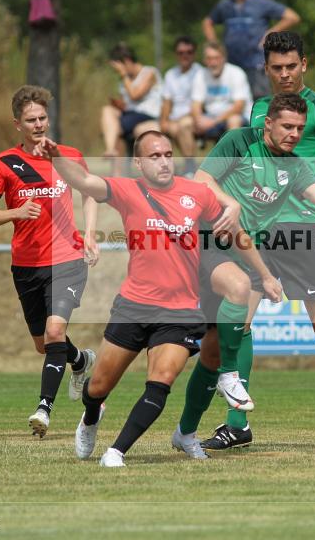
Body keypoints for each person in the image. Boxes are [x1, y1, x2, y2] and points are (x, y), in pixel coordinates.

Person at [39, 130, 271, 467]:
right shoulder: (127, 190)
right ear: (138, 162)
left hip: (180, 311)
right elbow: (84, 181)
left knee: (161, 382)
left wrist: (264, 274)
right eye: (154, 156)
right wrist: (57, 157)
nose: (163, 162)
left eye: (167, 155)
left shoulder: (196, 193)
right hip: (134, 306)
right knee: (98, 386)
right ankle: (91, 415)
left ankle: (116, 452)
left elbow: (235, 232)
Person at [193, 31, 315, 451]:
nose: (285, 74)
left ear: (304, 64)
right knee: (240, 321)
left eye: (291, 66)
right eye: (277, 68)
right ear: (266, 69)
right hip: (258, 232)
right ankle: (238, 424)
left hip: (304, 228)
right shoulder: (260, 110)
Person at [0, 85, 98, 439]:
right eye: (31, 120)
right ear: (18, 124)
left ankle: (44, 408)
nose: (39, 124)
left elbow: (91, 193)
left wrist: (90, 234)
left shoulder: (68, 155)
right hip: (27, 264)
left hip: (67, 259)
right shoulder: (4, 163)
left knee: (54, 332)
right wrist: (16, 212)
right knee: (43, 344)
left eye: (43, 118)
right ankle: (80, 360)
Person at [203, 0, 300, 99]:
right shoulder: (224, 5)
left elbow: (292, 17)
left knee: (260, 103)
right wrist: (215, 46)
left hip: (256, 65)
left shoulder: (262, 3)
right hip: (231, 65)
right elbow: (207, 23)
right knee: (233, 102)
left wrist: (271, 33)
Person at [101, 43, 162, 175]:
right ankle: (110, 149)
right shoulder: (125, 80)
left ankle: (117, 174)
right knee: (107, 111)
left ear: (127, 61)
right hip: (131, 115)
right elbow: (128, 103)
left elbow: (135, 95)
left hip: (147, 114)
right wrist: (119, 104)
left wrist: (123, 75)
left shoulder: (149, 72)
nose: (118, 72)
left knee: (117, 129)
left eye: (118, 67)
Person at [160, 36, 204, 177]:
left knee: (183, 125)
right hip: (174, 118)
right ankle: (174, 168)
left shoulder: (201, 73)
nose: (185, 55)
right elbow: (167, 101)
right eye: (181, 52)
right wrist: (163, 121)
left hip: (193, 116)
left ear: (194, 53)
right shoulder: (170, 74)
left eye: (189, 52)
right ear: (176, 54)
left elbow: (200, 103)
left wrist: (178, 120)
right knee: (157, 129)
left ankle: (190, 168)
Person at [190, 42, 252, 141]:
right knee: (185, 124)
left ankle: (233, 151)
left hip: (238, 117)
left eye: (216, 58)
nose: (213, 62)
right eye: (209, 58)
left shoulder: (236, 73)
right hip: (211, 117)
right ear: (204, 60)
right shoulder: (200, 75)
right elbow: (195, 104)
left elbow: (238, 107)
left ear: (224, 58)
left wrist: (213, 122)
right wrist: (198, 120)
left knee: (234, 120)